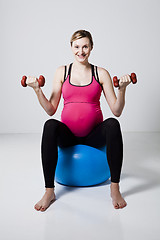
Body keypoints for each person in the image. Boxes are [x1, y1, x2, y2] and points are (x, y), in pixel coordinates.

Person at [26, 30, 131, 212]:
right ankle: (49, 191)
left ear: (91, 48)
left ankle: (115, 188)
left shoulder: (101, 73)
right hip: (69, 137)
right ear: (71, 47)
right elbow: (51, 109)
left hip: (93, 137)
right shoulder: (62, 72)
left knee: (113, 123)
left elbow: (117, 110)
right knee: (49, 125)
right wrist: (37, 90)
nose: (80, 51)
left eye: (85, 46)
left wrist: (122, 89)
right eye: (77, 46)